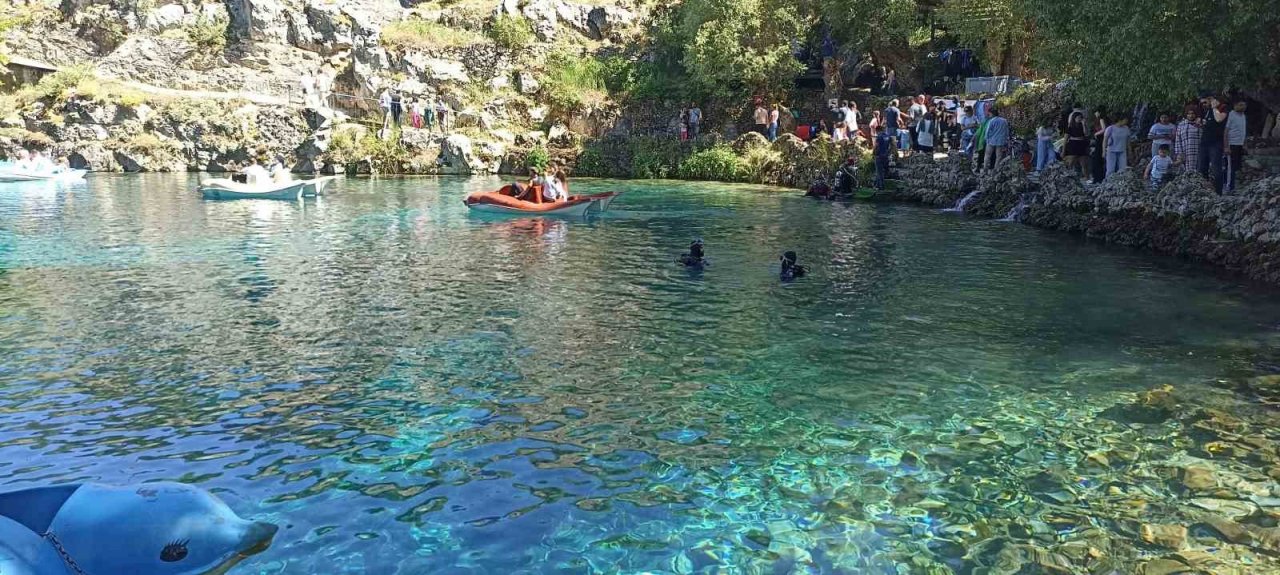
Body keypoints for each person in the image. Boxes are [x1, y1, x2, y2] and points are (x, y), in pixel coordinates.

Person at [1200, 96, 1228, 193]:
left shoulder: (1222, 108)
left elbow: (1219, 119)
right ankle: (1203, 191)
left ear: (1211, 99)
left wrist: (1214, 107)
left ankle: (1218, 192)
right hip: (1204, 143)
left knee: (1216, 169)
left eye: (1205, 102)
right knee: (1201, 168)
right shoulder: (1206, 111)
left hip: (1215, 143)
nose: (1203, 105)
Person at [1226, 99, 1247, 193]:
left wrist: (1244, 144)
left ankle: (1235, 187)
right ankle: (1228, 188)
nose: (1243, 107)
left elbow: (1243, 131)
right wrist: (1226, 146)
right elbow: (1225, 132)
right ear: (1235, 105)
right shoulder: (1231, 115)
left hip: (1240, 144)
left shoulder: (1243, 116)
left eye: (1244, 105)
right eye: (1240, 105)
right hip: (1232, 144)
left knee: (1237, 167)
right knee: (1231, 168)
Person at [1173, 106, 1202, 171]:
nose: (1191, 115)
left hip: (1199, 151)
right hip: (1185, 151)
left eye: (1193, 113)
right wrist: (1179, 154)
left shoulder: (1200, 124)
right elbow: (1178, 140)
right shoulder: (1181, 125)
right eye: (1189, 114)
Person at [1063, 112, 1090, 178]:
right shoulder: (1070, 127)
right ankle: (1067, 176)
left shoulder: (1083, 125)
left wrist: (1084, 125)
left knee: (1084, 163)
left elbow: (1086, 134)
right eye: (1078, 117)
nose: (1079, 119)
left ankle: (1087, 178)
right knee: (1071, 162)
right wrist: (1063, 150)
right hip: (1073, 144)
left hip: (1082, 144)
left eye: (1081, 117)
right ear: (1074, 118)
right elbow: (1065, 139)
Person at [1091, 111, 1109, 184]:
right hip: (1101, 140)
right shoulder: (1105, 118)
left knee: (1097, 158)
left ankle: (1098, 178)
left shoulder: (1101, 119)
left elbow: (1104, 129)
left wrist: (1096, 133)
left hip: (1100, 139)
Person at [873, 124, 893, 190]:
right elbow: (892, 146)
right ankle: (877, 185)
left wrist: (874, 153)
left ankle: (881, 187)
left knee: (879, 172)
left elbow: (876, 146)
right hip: (886, 156)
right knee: (882, 172)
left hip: (879, 156)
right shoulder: (888, 136)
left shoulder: (879, 137)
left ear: (878, 130)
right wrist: (888, 153)